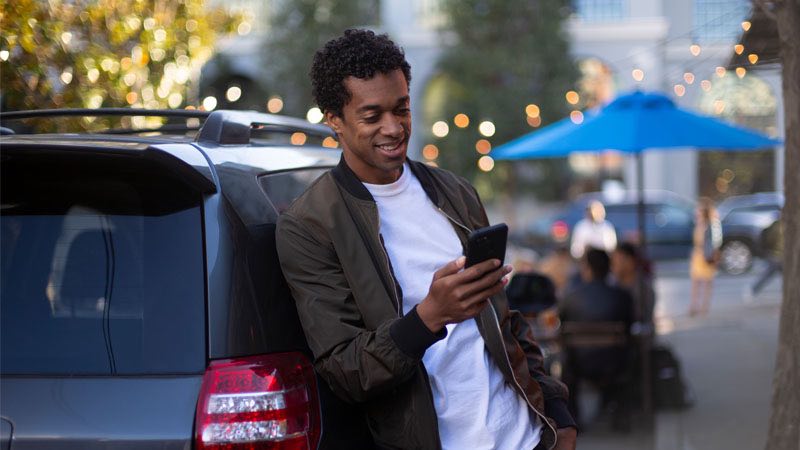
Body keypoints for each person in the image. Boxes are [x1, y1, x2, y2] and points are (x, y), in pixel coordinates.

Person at [276, 30, 576, 450]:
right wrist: (430, 316)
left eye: (402, 109)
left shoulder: (454, 192)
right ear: (334, 120)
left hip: (525, 437)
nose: (394, 127)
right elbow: (347, 370)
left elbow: (506, 318)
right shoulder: (310, 225)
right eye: (372, 115)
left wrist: (559, 418)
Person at [688, 197, 722, 316]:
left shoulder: (711, 225)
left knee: (707, 282)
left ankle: (704, 307)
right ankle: (694, 306)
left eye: (700, 209)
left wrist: (713, 255)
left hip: (706, 255)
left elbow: (715, 242)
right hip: (698, 255)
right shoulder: (699, 224)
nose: (697, 211)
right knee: (696, 282)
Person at [611, 242, 656, 325]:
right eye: (613, 262)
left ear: (630, 262)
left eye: (617, 261)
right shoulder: (611, 285)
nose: (613, 266)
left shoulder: (644, 289)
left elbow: (644, 318)